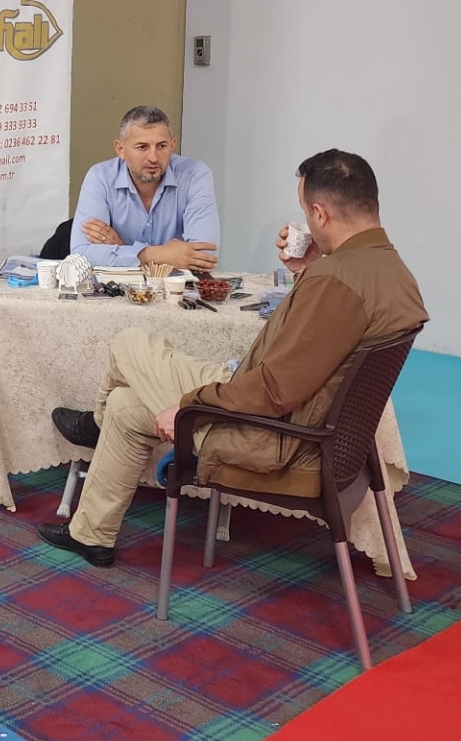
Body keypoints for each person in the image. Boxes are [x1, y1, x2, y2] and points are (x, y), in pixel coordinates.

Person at [40, 149, 428, 568]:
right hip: (307, 427)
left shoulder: (335, 282)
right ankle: (91, 535)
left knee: (130, 343)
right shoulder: (389, 270)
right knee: (125, 404)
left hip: (269, 435)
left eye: (305, 211)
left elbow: (274, 391)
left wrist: (191, 406)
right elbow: (318, 353)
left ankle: (95, 426)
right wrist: (309, 269)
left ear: (320, 214)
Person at [68, 105, 219, 270]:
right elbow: (82, 253)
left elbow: (205, 256)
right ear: (120, 149)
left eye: (161, 146)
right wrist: (156, 255)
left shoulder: (195, 175)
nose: (153, 157)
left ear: (172, 145)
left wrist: (123, 249)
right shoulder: (101, 177)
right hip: (116, 285)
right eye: (142, 147)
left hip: (176, 285)